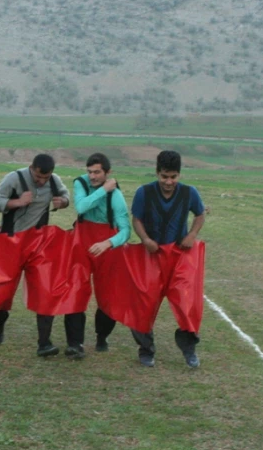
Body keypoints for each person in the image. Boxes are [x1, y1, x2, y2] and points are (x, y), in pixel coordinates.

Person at [0, 153, 71, 357]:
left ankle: (44, 343)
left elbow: (66, 196)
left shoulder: (54, 181)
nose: (42, 181)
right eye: (38, 177)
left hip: (39, 245)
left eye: (46, 178)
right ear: (31, 168)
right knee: (4, 291)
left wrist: (63, 202)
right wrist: (17, 202)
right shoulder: (14, 178)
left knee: (46, 290)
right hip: (11, 243)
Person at [130, 150, 206, 367]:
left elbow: (200, 214)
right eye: (164, 176)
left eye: (173, 177)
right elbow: (137, 219)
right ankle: (146, 350)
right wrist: (145, 239)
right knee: (144, 303)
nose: (169, 182)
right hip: (151, 256)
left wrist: (192, 235)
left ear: (179, 175)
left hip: (180, 257)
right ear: (157, 173)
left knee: (186, 302)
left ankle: (189, 349)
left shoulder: (189, 193)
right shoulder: (144, 192)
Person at [71, 152, 131, 356]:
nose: (92, 177)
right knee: (76, 289)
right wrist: (103, 190)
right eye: (90, 172)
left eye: (97, 172)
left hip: (107, 247)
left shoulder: (117, 196)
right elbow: (81, 206)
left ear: (108, 172)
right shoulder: (81, 183)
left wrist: (109, 243)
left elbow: (126, 230)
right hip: (82, 243)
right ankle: (75, 343)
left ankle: (102, 336)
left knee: (107, 295)